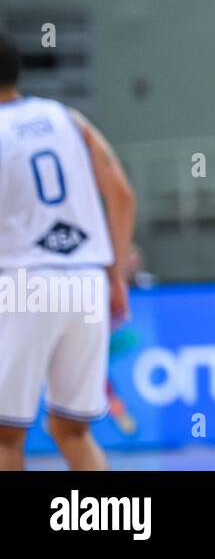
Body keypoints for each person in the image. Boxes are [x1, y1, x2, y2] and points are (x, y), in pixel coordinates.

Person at [0, 33, 135, 471]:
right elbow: (121, 193)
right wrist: (115, 275)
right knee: (72, 430)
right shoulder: (67, 119)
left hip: (24, 282)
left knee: (5, 438)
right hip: (87, 280)